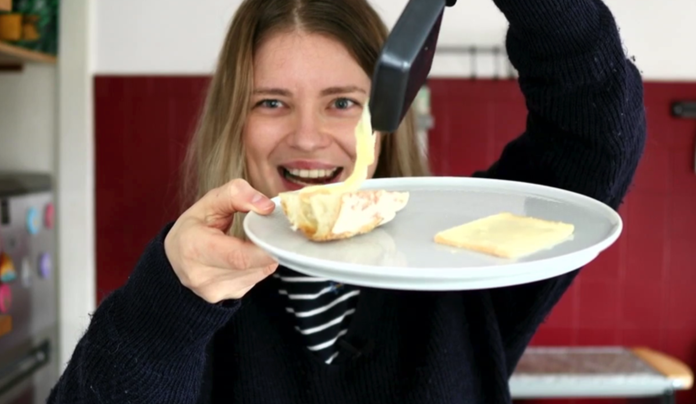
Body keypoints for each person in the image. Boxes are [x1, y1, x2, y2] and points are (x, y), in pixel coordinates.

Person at [48, 0, 646, 402]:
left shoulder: (468, 265)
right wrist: (169, 306)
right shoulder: (190, 291)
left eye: (342, 103)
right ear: (235, 122)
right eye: (272, 102)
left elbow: (595, 140)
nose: (308, 138)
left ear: (385, 118)